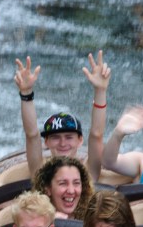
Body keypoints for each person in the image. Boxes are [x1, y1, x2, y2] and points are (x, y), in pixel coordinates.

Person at [14, 51, 111, 181]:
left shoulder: (89, 172)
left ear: (80, 140)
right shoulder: (40, 171)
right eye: (55, 137)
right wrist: (26, 93)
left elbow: (97, 134)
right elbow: (31, 135)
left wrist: (100, 90)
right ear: (46, 142)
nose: (63, 143)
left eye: (69, 137)